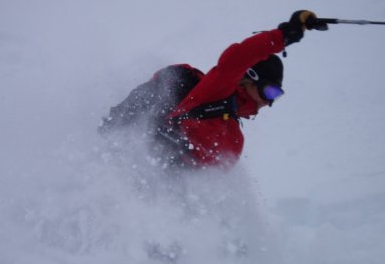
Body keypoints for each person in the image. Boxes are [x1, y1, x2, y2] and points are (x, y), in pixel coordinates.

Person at [98, 10, 327, 169]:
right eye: (269, 91)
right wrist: (284, 35)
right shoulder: (216, 92)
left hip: (169, 186)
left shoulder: (234, 135)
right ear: (249, 78)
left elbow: (213, 180)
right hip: (145, 160)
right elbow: (239, 57)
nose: (269, 101)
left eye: (277, 95)